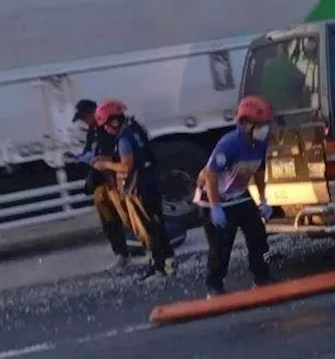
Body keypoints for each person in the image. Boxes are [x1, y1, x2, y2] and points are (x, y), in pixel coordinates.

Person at [194, 95, 277, 298]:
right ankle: (214, 286)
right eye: (261, 124)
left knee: (258, 236)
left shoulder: (260, 143)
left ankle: (262, 278)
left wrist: (263, 199)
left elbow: (258, 171)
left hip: (239, 195)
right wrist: (215, 207)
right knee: (221, 245)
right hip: (213, 197)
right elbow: (211, 176)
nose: (265, 128)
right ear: (246, 123)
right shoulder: (229, 144)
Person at [91, 100, 176, 283]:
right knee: (157, 222)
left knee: (145, 228)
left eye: (106, 125)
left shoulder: (123, 139)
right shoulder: (136, 129)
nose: (105, 130)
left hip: (140, 187)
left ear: (113, 121)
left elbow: (126, 166)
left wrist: (104, 164)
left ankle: (157, 268)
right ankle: (169, 260)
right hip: (151, 179)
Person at [73, 99, 130, 269]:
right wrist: (83, 157)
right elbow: (90, 150)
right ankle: (122, 254)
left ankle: (152, 251)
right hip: (101, 182)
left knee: (129, 218)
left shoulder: (108, 129)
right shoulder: (92, 132)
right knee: (108, 221)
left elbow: (115, 153)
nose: (85, 122)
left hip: (114, 179)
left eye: (85, 117)